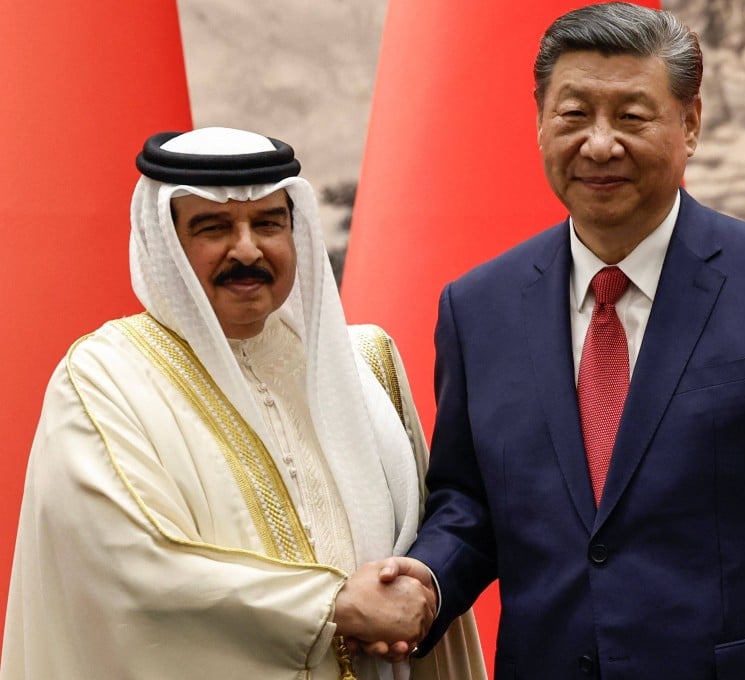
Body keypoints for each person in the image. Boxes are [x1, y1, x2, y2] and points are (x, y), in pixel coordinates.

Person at [391, 3, 745, 678]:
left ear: (690, 124)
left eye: (631, 116)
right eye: (574, 115)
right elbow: (470, 502)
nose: (600, 145)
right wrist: (425, 582)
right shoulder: (477, 307)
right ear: (540, 121)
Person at [0, 127, 485, 680]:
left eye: (269, 223)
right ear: (166, 245)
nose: (249, 249)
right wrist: (330, 609)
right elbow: (128, 569)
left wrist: (415, 594)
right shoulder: (106, 377)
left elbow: (435, 531)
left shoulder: (362, 364)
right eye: (214, 227)